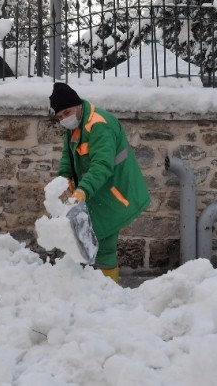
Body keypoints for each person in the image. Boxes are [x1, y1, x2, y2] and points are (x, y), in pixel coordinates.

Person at [50, 82, 150, 283]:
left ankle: (108, 292)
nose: (64, 119)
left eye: (66, 112)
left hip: (116, 191)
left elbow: (102, 166)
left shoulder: (99, 125)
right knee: (86, 238)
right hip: (97, 190)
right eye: (59, 117)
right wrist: (63, 181)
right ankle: (92, 287)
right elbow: (67, 157)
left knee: (104, 242)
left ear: (77, 105)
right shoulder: (75, 125)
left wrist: (81, 191)